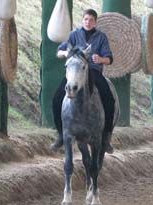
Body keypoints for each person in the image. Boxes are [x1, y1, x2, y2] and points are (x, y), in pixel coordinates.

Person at [49, 8, 116, 154]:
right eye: (86, 19)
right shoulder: (74, 35)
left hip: (94, 72)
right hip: (75, 73)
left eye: (91, 20)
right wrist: (66, 53)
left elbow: (109, 59)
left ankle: (106, 138)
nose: (88, 22)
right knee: (56, 98)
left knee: (109, 99)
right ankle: (61, 134)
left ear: (95, 22)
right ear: (82, 20)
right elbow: (59, 51)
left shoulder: (101, 37)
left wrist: (100, 59)